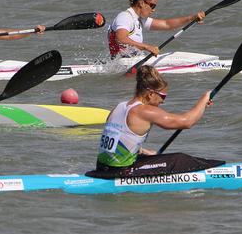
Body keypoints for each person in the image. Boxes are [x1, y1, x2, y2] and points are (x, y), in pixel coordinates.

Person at [87, 65, 224, 179]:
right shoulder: (144, 111)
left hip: (102, 168)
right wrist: (204, 99)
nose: (163, 101)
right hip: (121, 173)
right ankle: (222, 171)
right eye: (162, 96)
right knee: (180, 159)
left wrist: (143, 152)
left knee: (159, 157)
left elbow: (119, 139)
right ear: (150, 93)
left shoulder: (119, 107)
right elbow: (187, 122)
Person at [107, 0, 206, 59]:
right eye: (152, 6)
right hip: (121, 63)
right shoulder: (125, 17)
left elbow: (167, 24)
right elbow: (121, 39)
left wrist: (191, 18)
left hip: (133, 60)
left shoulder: (139, 19)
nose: (153, 10)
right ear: (141, 3)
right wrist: (147, 47)